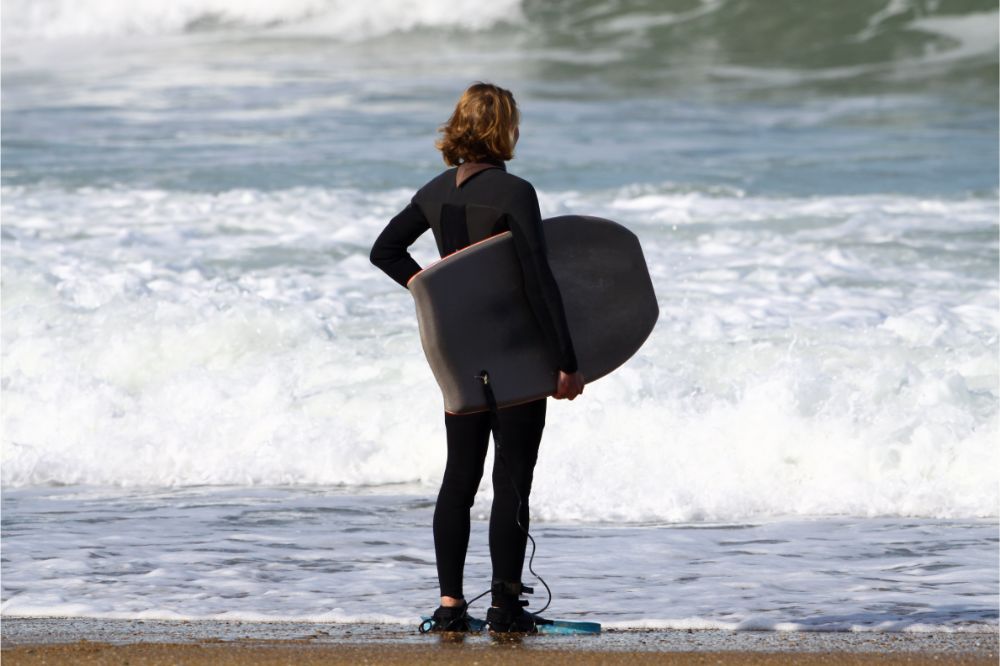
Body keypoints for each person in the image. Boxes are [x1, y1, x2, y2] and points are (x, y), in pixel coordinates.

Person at [369, 82, 585, 633]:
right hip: (513, 350)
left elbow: (385, 250)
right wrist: (566, 359)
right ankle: (505, 608)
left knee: (459, 478)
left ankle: (449, 607)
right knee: (512, 479)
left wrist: (430, 287)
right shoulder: (515, 194)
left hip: (458, 350)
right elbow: (539, 282)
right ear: (504, 128)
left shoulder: (436, 190)